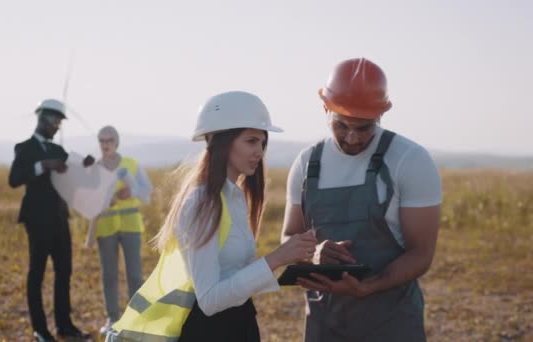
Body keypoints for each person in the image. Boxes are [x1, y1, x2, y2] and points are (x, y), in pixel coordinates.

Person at [106, 91, 318, 342]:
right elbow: (210, 299)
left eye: (262, 142)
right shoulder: (201, 203)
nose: (259, 151)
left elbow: (234, 274)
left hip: (238, 325)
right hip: (211, 332)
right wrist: (275, 259)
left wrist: (288, 263)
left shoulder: (233, 197)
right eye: (251, 141)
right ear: (222, 142)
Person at [281, 58, 442, 341]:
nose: (353, 138)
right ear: (325, 108)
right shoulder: (307, 163)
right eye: (341, 126)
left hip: (391, 321)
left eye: (365, 127)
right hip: (323, 322)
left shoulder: (410, 160)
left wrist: (369, 287)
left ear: (382, 113)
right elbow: (289, 236)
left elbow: (421, 254)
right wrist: (314, 253)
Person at [9, 98, 94, 342]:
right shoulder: (24, 149)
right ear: (42, 118)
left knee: (64, 271)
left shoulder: (59, 151)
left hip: (60, 219)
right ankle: (40, 330)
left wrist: (85, 165)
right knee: (37, 273)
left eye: (60, 121)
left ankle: (65, 326)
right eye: (56, 120)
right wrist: (42, 165)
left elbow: (75, 175)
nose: (58, 125)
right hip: (36, 220)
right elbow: (14, 180)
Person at [90, 125, 152, 335]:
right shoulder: (94, 168)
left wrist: (132, 190)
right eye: (102, 140)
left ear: (117, 143)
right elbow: (88, 201)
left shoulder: (131, 165)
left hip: (131, 226)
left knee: (134, 274)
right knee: (109, 275)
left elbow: (147, 194)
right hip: (106, 227)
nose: (105, 144)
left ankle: (136, 318)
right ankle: (113, 319)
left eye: (109, 140)